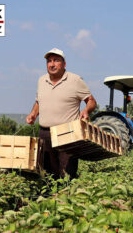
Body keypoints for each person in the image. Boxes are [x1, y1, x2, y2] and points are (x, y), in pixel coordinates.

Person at [26, 48, 97, 179]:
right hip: (45, 133)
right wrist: (33, 114)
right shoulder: (41, 80)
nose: (52, 64)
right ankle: (49, 198)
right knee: (47, 172)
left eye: (56, 60)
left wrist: (86, 110)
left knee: (66, 173)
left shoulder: (75, 80)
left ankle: (66, 197)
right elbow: (39, 102)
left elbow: (91, 101)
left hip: (68, 132)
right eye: (49, 61)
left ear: (64, 64)